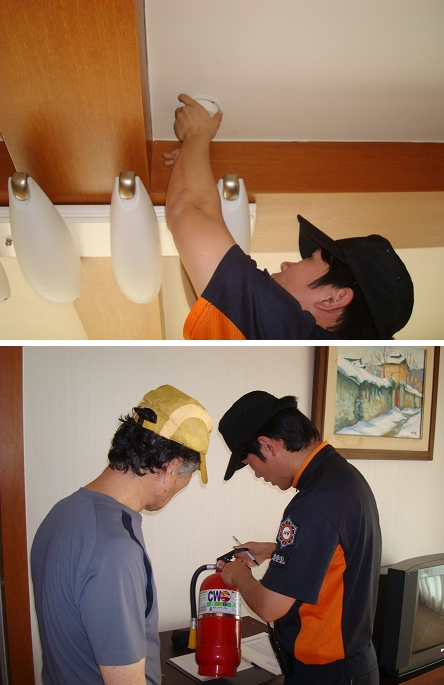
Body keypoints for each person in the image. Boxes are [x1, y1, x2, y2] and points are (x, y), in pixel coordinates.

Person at [164, 94, 414, 340]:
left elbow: (189, 211)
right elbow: (208, 298)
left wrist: (197, 134)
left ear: (333, 299)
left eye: (310, 258)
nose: (286, 264)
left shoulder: (285, 329)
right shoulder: (286, 337)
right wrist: (191, 166)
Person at [31, 385, 213, 685]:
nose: (183, 486)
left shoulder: (63, 512)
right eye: (188, 476)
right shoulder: (115, 549)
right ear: (171, 467)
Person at [218, 390, 381, 685]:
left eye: (250, 463)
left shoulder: (312, 504)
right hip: (353, 663)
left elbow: (269, 606)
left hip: (328, 672)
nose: (257, 475)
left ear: (267, 445)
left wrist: (237, 575)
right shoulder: (341, 478)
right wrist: (275, 549)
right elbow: (337, 554)